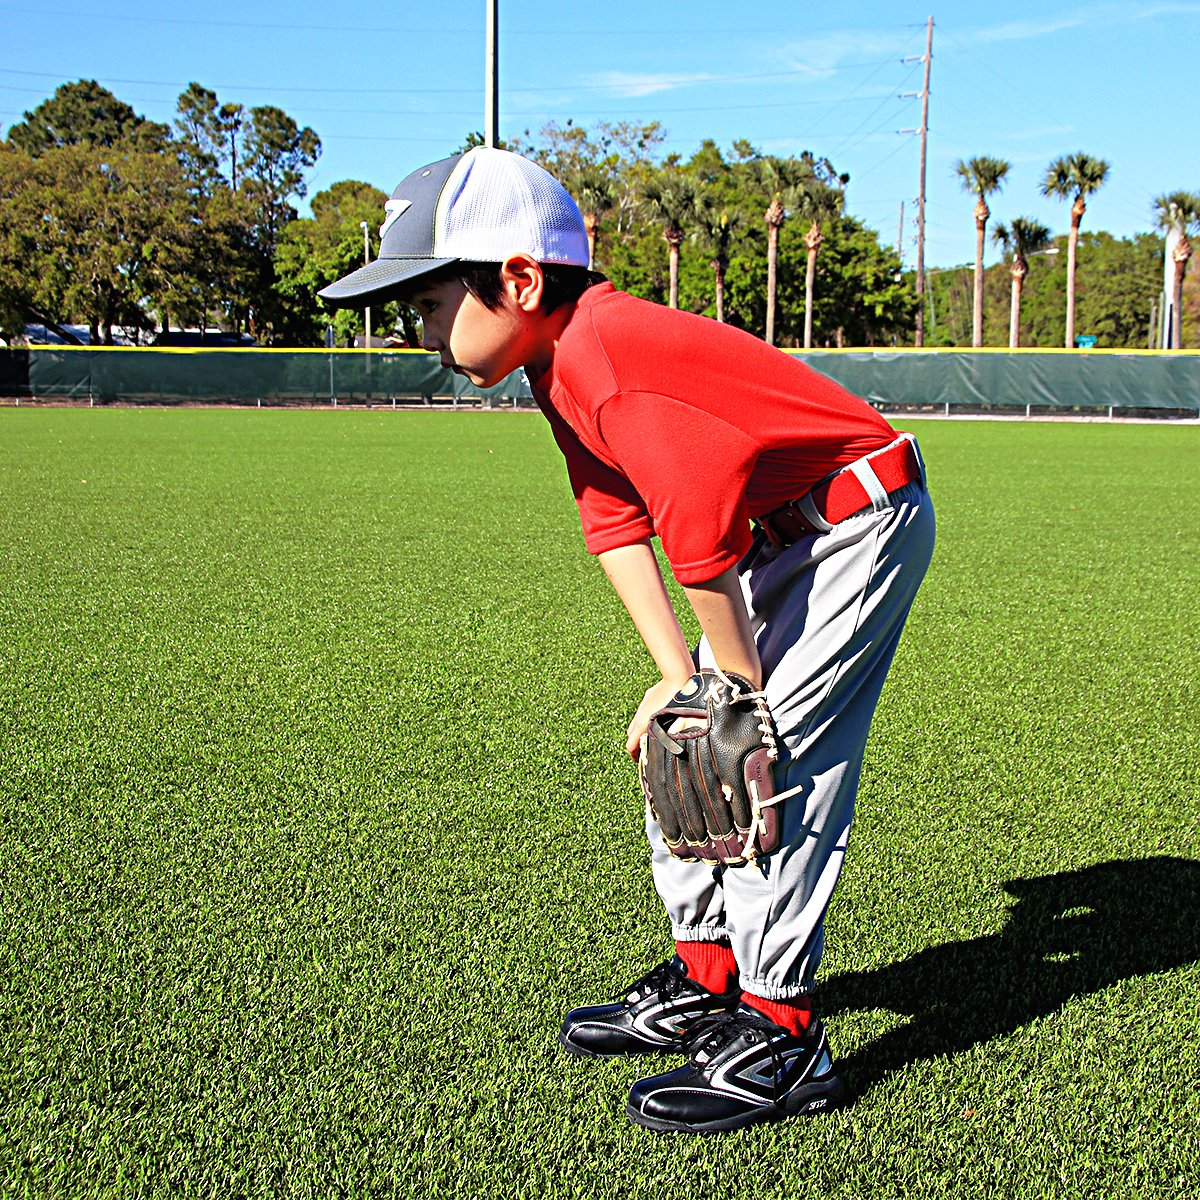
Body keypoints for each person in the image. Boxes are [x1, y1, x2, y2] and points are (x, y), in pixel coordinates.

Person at [319, 147, 935, 1134]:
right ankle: (710, 978)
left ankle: (784, 1038)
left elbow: (700, 544)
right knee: (684, 742)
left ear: (518, 280)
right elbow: (614, 522)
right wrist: (678, 679)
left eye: (429, 303)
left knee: (763, 763)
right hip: (778, 540)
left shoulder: (611, 356)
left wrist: (732, 696)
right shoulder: (556, 366)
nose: (420, 329)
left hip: (860, 525)